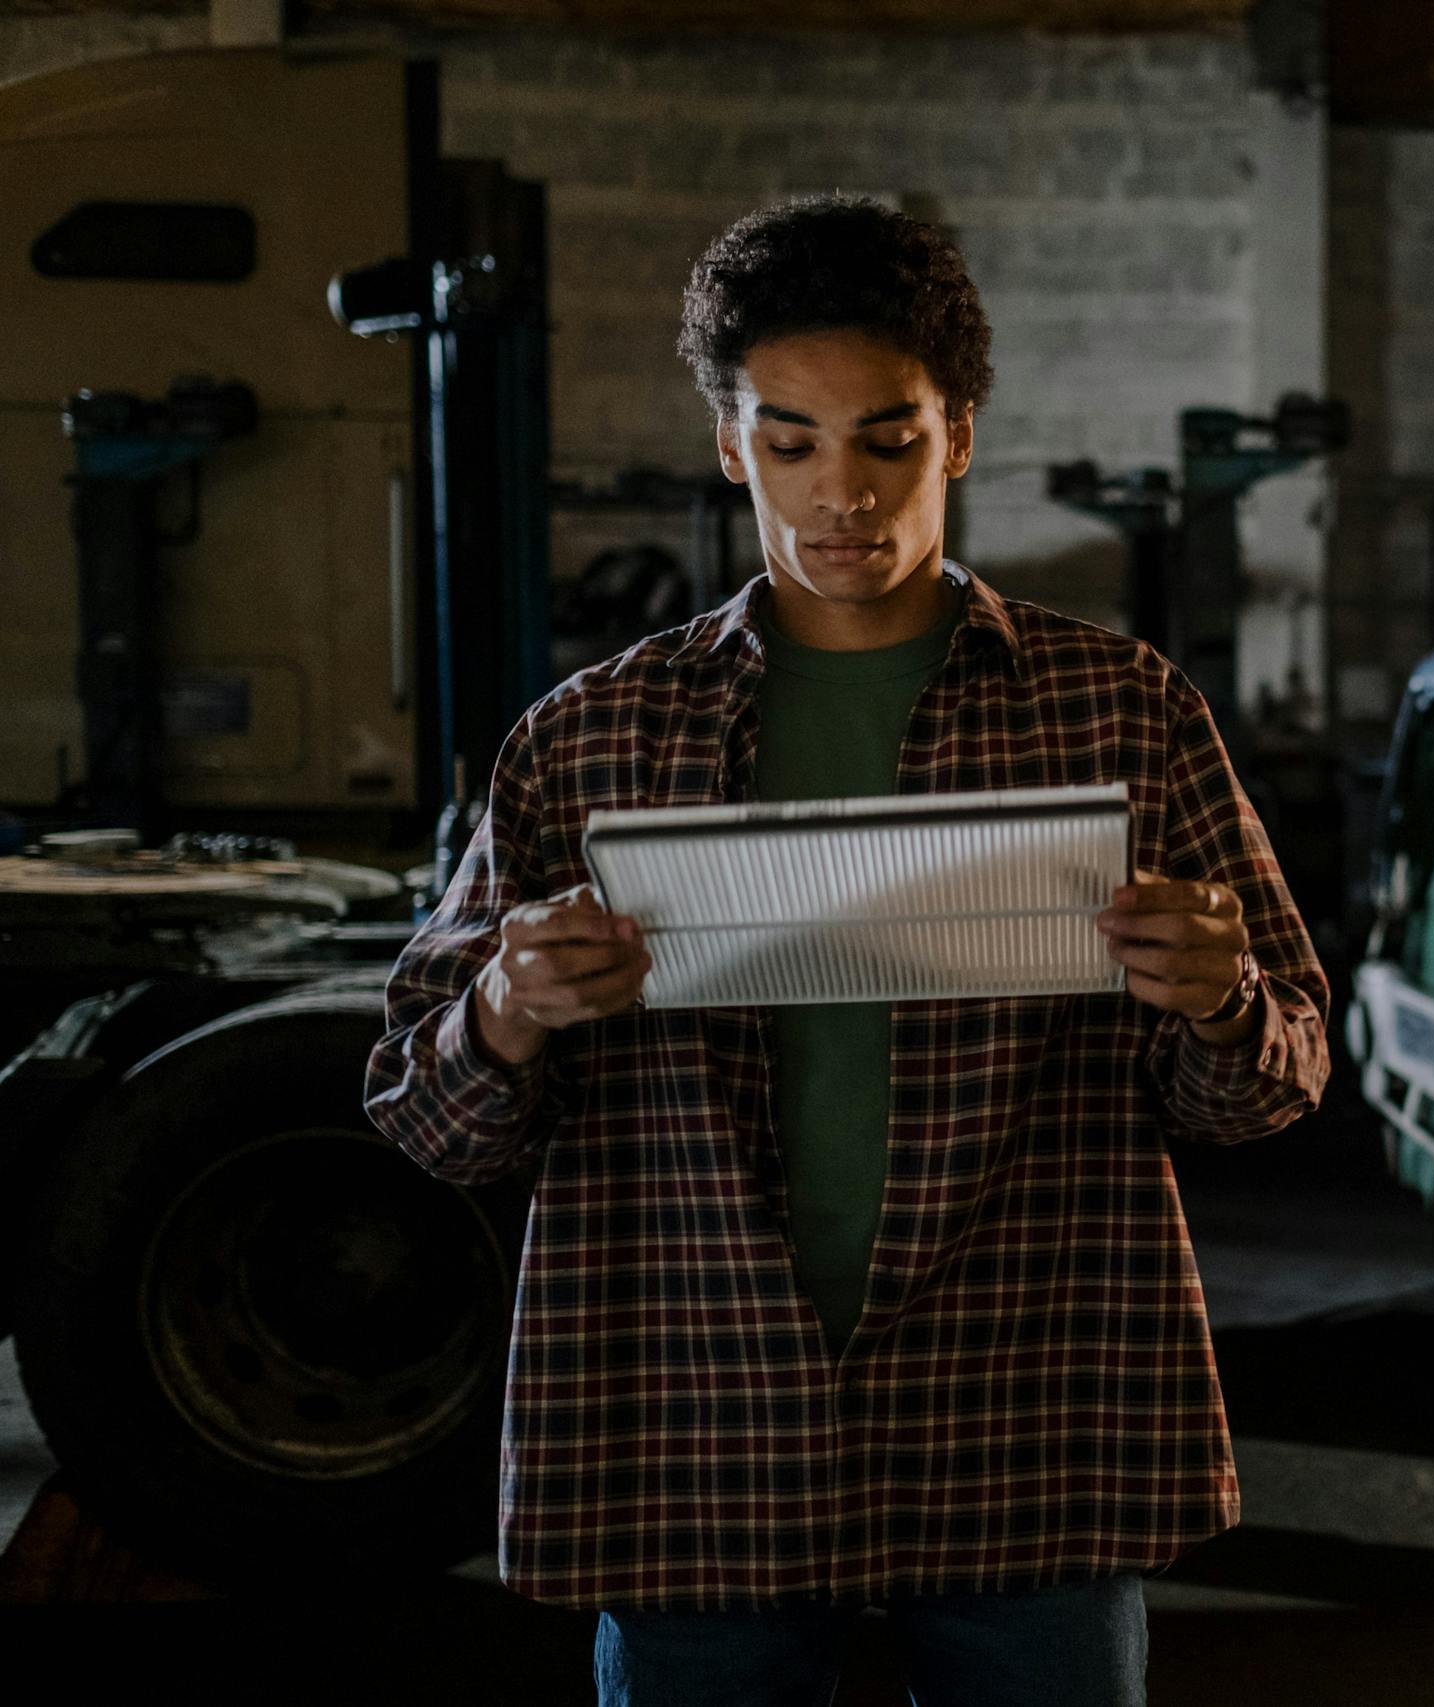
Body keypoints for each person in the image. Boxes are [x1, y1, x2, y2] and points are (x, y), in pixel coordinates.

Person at [365, 194, 1329, 1707]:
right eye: (792, 441)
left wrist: (1217, 999)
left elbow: (1275, 1082)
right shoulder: (594, 739)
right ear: (730, 445)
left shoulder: (1120, 713)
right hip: (703, 1422)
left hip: (1027, 1407)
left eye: (888, 439)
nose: (844, 496)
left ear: (958, 435)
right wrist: (502, 1009)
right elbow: (425, 1118)